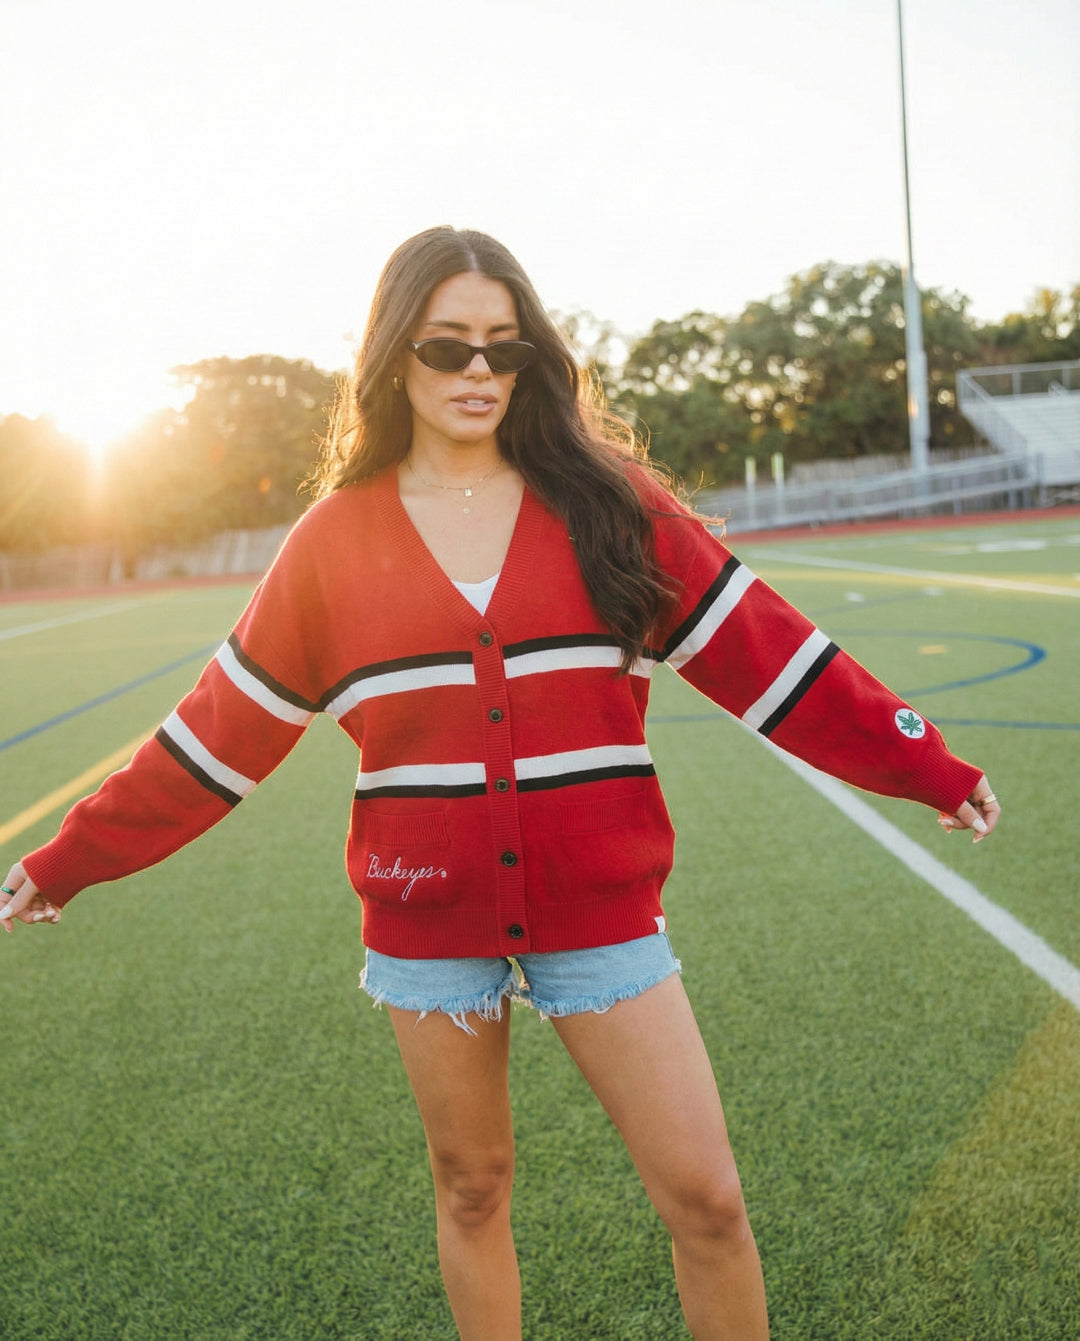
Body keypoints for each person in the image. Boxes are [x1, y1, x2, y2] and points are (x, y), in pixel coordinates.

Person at [2, 226, 999, 1341]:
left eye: (504, 349)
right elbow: (214, 736)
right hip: (427, 921)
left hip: (603, 908)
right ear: (393, 359)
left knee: (708, 1203)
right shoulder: (331, 544)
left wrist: (924, 764)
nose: (479, 372)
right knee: (473, 1189)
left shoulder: (610, 507)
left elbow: (771, 651)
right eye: (447, 348)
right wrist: (70, 856)